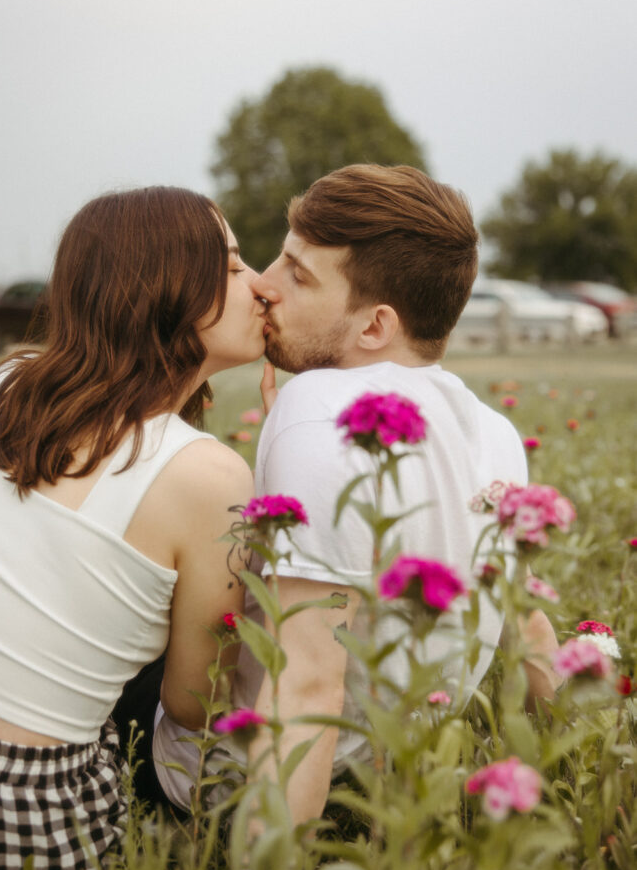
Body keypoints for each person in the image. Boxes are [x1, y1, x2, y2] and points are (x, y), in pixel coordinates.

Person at [153, 164, 561, 825]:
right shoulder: (493, 431)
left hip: (228, 783)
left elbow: (309, 678)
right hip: (390, 774)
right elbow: (524, 620)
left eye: (298, 273)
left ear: (373, 328)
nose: (262, 285)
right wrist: (583, 760)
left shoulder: (318, 407)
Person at [0, 186, 265, 870]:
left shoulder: (8, 387)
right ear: (168, 291)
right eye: (228, 266)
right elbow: (196, 705)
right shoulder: (209, 475)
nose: (260, 283)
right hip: (12, 823)